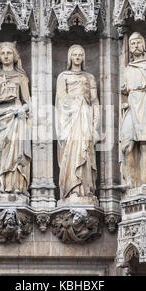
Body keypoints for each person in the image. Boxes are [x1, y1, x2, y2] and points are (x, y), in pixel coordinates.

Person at [0, 42, 31, 200]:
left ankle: (16, 185)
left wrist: (22, 109)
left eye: (9, 53)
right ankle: (0, 186)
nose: (5, 56)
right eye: (3, 53)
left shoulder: (21, 77)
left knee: (16, 153)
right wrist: (3, 98)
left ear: (15, 56)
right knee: (0, 152)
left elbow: (28, 102)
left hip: (16, 119)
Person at [55, 44, 100, 200]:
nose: (78, 57)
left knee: (86, 152)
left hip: (85, 118)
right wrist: (77, 102)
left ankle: (86, 188)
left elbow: (94, 101)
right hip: (71, 120)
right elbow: (61, 100)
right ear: (70, 57)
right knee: (72, 152)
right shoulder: (63, 76)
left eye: (80, 54)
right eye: (75, 54)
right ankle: (72, 188)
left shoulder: (90, 78)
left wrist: (96, 125)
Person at [120, 32, 146, 190]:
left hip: (145, 104)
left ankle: (144, 183)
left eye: (138, 42)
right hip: (132, 106)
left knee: (144, 145)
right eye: (132, 43)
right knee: (127, 145)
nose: (135, 45)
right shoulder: (128, 68)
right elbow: (123, 91)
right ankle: (130, 180)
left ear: (144, 45)